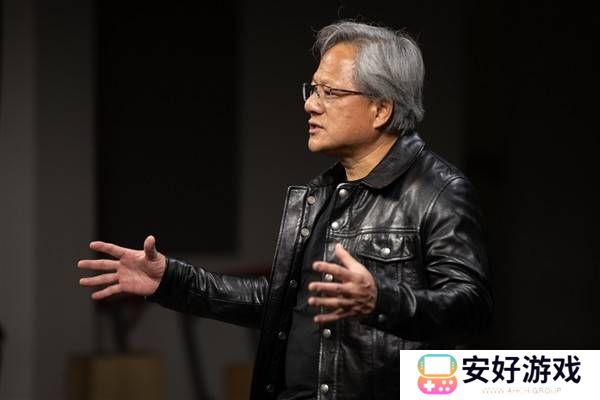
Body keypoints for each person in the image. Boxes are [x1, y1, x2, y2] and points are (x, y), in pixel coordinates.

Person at [78, 20, 492, 400]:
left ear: (381, 109)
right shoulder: (320, 195)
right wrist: (170, 280)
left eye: (330, 93)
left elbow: (470, 309)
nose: (311, 105)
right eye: (312, 90)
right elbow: (281, 304)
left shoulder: (438, 190)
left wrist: (381, 300)